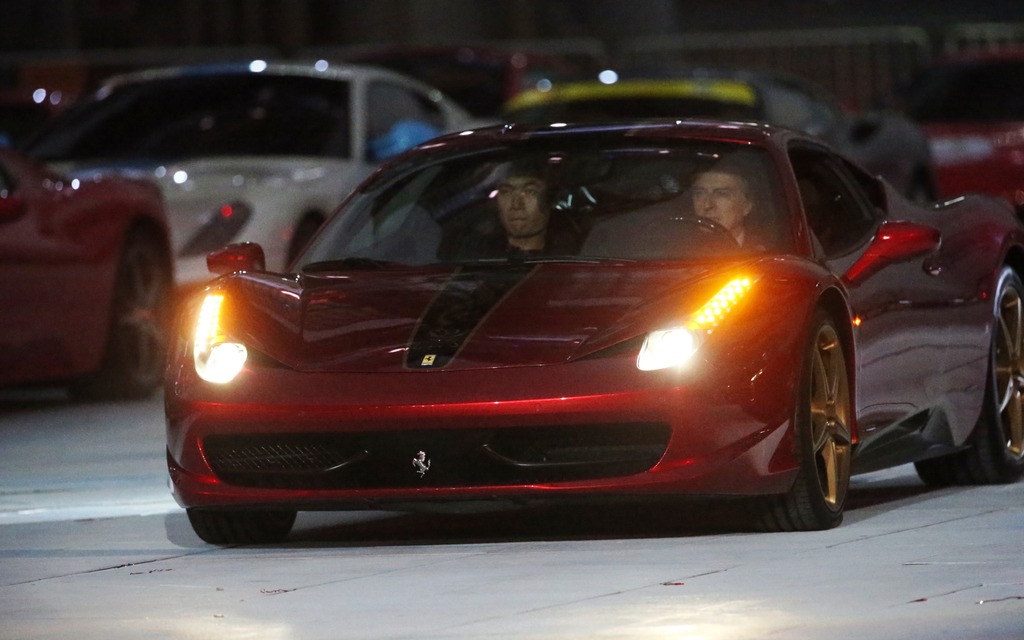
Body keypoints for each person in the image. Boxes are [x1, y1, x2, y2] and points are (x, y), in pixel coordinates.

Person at [484, 159, 578, 257]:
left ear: (549, 200)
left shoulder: (573, 256)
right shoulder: (478, 255)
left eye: (530, 192)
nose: (516, 205)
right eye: (506, 192)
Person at [689, 156, 765, 248]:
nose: (707, 205)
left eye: (721, 194)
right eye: (699, 194)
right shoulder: (675, 251)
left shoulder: (768, 254)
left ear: (747, 205)